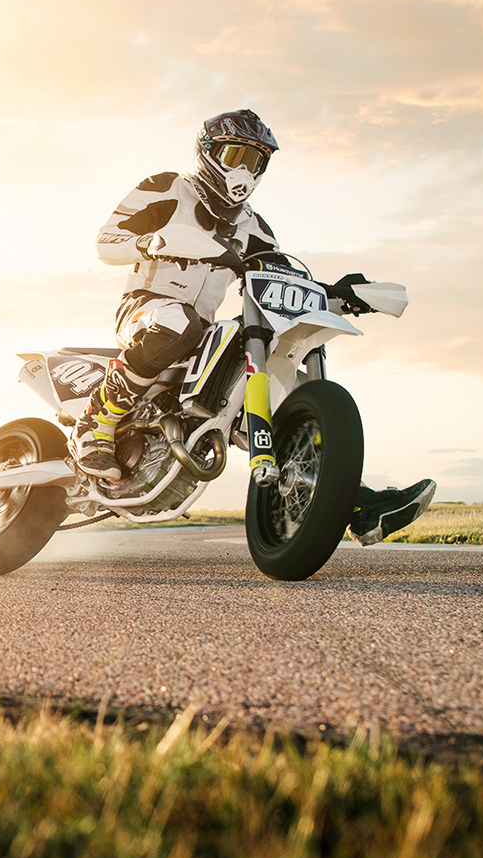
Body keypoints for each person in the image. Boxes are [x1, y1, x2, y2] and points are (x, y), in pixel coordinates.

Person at [75, 108, 435, 545]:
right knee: (181, 322)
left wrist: (341, 294)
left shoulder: (254, 229)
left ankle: (349, 500)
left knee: (256, 369)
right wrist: (158, 240)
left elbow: (282, 282)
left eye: (256, 161)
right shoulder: (167, 188)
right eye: (237, 155)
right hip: (146, 309)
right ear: (208, 152)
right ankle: (96, 422)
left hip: (201, 334)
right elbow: (105, 242)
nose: (245, 170)